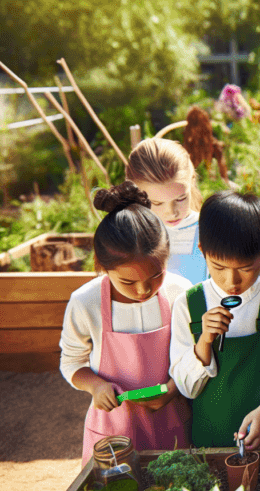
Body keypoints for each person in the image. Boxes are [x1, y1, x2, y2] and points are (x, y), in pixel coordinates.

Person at [59, 182, 192, 464]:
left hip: (173, 421)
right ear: (102, 266)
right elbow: (71, 362)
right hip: (112, 430)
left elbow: (193, 354)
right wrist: (95, 386)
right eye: (128, 281)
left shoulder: (180, 292)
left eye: (156, 276)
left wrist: (174, 388)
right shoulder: (86, 302)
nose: (143, 290)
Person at [169, 191, 260, 450]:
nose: (232, 281)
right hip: (208, 447)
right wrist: (204, 343)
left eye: (245, 268)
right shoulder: (188, 305)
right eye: (218, 267)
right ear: (202, 252)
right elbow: (186, 388)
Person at [127, 138, 207, 284]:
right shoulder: (129, 235)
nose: (171, 212)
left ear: (192, 181)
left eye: (181, 198)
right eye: (157, 203)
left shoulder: (211, 231)